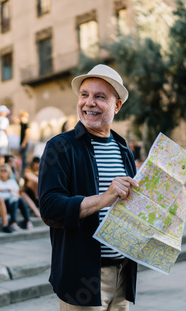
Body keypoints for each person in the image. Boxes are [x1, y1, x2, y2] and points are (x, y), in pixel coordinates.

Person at [39, 64, 140, 309]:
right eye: (84, 95)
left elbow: (136, 204)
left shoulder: (123, 149)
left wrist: (174, 197)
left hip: (123, 275)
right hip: (83, 277)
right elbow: (50, 208)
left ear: (117, 106)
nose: (89, 102)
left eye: (100, 97)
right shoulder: (59, 147)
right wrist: (103, 198)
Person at [0, 163, 32, 231]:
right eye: (1, 170)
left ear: (8, 172)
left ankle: (28, 221)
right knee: (15, 200)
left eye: (5, 170)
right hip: (3, 203)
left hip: (12, 201)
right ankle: (14, 223)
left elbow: (17, 192)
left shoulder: (12, 181)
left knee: (19, 200)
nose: (3, 172)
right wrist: (6, 189)